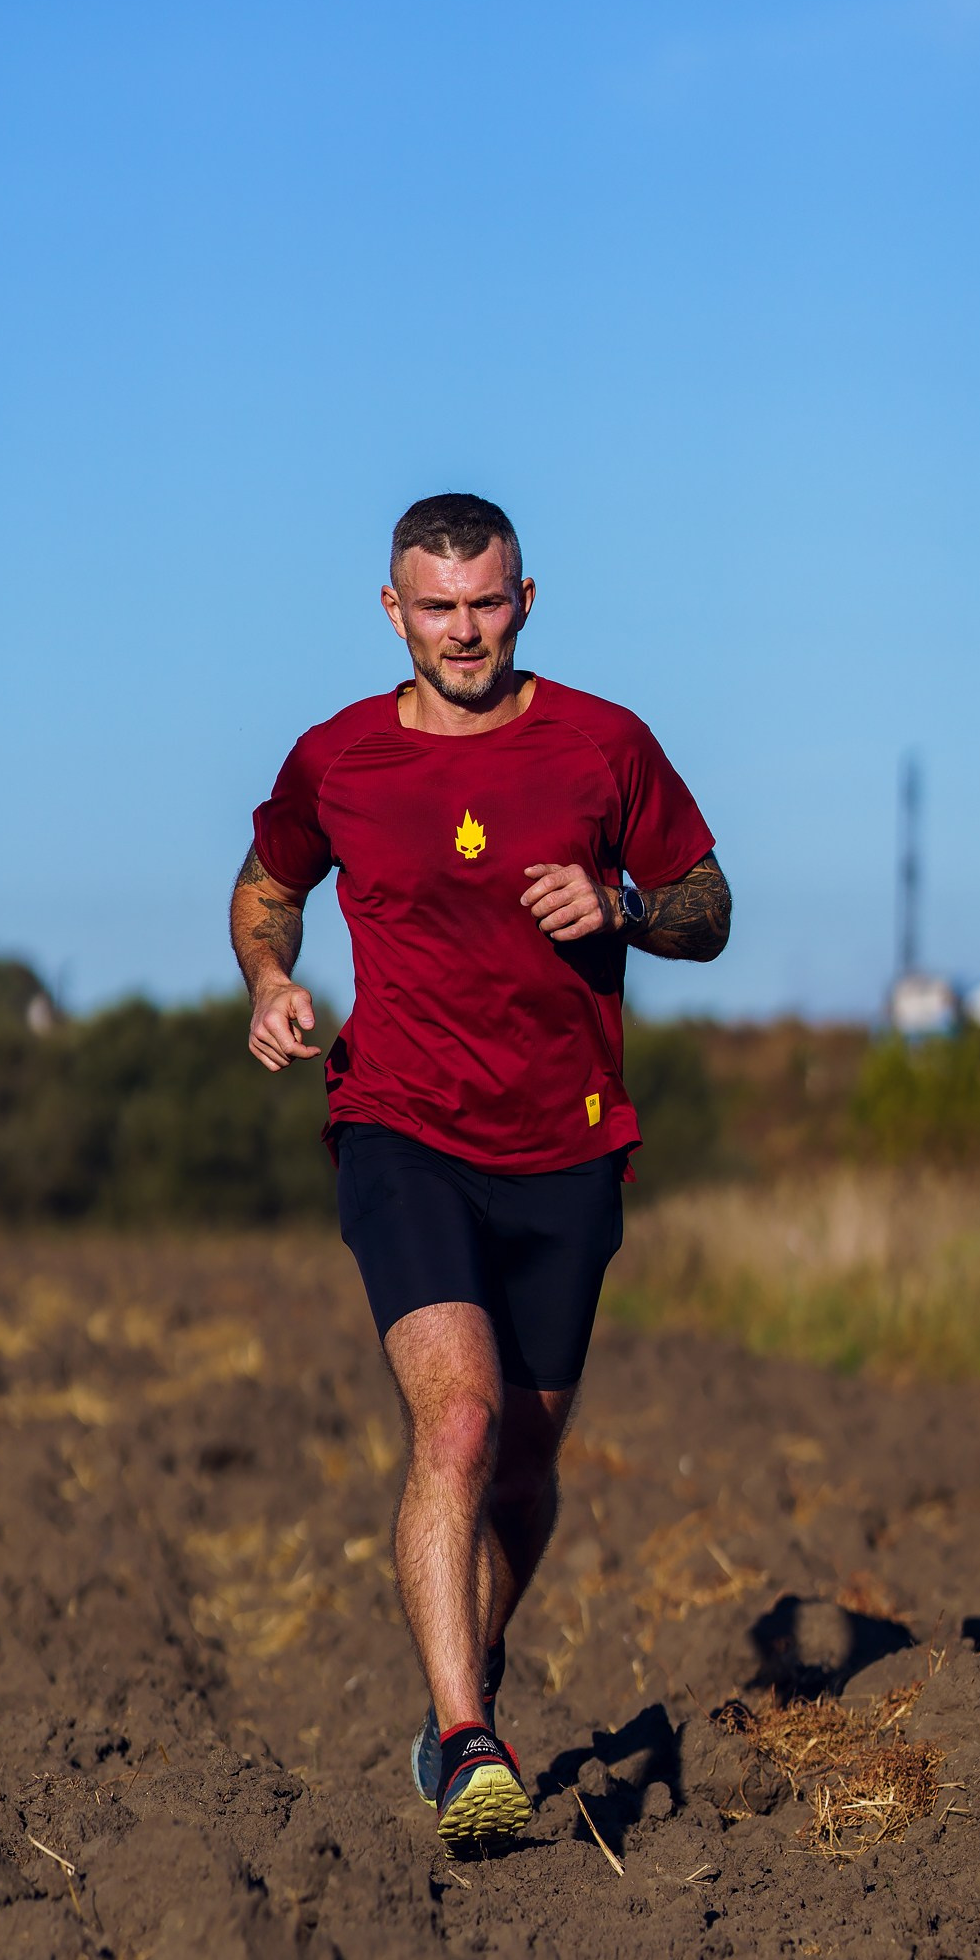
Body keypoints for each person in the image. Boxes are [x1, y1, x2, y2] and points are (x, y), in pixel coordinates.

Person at [230, 492, 731, 1853]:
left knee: (524, 1466)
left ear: (525, 600)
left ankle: (471, 1681)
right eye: (436, 608)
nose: (464, 631)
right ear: (392, 611)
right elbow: (268, 884)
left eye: (486, 603)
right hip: (402, 1126)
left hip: (566, 1146)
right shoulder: (338, 758)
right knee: (456, 1421)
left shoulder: (604, 744)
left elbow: (707, 901)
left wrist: (621, 905)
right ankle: (465, 1744)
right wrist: (271, 978)